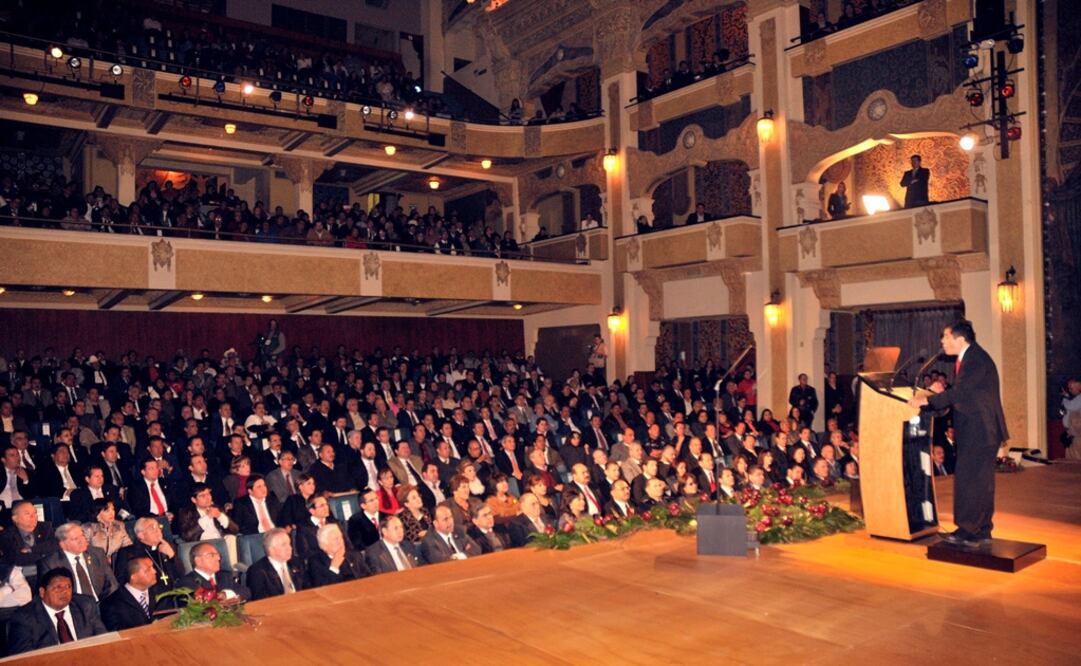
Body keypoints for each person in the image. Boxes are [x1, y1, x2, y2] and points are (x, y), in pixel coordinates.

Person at [908, 319, 1008, 548]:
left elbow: (961, 392)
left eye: (945, 336)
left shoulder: (974, 359)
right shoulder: (972, 357)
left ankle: (968, 531)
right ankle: (981, 529)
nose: (942, 341)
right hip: (981, 429)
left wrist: (927, 400)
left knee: (969, 481)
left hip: (979, 430)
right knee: (980, 482)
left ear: (959, 339)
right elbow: (966, 393)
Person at [7, 568, 107, 655]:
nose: (65, 591)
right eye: (58, 587)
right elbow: (23, 659)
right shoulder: (24, 618)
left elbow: (104, 640)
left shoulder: (85, 605)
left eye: (68, 587)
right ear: (42, 592)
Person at [37, 522, 119, 602]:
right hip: (73, 608)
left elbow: (112, 584)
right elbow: (51, 596)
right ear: (63, 544)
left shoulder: (97, 553)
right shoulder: (50, 563)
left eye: (82, 536)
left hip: (101, 604)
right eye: (75, 539)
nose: (82, 541)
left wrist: (107, 606)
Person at [100, 556, 158, 631]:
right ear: (134, 577)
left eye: (153, 568)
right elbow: (116, 634)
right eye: (148, 569)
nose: (154, 571)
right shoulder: (111, 604)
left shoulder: (159, 593)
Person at [177, 542, 250, 601]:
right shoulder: (187, 582)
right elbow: (204, 602)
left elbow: (246, 592)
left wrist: (226, 594)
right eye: (211, 555)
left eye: (218, 555)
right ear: (198, 561)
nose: (218, 558)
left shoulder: (224, 575)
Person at [247, 528, 306, 600]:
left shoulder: (297, 563)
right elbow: (261, 601)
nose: (290, 548)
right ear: (271, 550)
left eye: (289, 544)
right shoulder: (257, 571)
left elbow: (308, 589)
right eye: (284, 545)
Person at [306, 523, 371, 588]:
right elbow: (322, 589)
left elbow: (369, 578)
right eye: (335, 539)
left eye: (341, 537)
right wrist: (334, 567)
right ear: (324, 545)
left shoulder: (354, 555)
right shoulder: (316, 562)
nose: (340, 541)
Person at [82, 498, 133, 565]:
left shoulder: (119, 525)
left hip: (116, 563)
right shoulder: (88, 528)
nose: (112, 513)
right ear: (97, 513)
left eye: (113, 509)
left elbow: (128, 546)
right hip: (95, 564)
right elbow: (84, 551)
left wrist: (117, 559)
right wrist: (103, 559)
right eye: (107, 511)